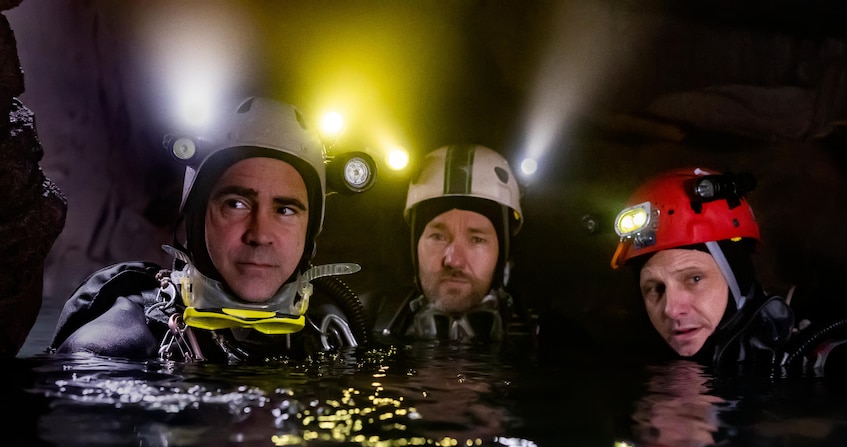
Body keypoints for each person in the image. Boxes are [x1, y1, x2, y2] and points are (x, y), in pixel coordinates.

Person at [50, 96, 372, 362]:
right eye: (236, 204)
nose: (259, 235)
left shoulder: (335, 334)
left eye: (285, 210)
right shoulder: (112, 349)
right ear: (196, 215)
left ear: (311, 229)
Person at [611, 167, 847, 376]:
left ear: (737, 278)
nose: (671, 309)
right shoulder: (634, 363)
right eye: (655, 288)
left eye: (694, 278)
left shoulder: (821, 360)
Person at [370, 144, 536, 344]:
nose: (454, 261)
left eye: (477, 239)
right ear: (414, 247)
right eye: (438, 237)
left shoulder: (553, 338)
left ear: (502, 255)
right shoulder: (367, 321)